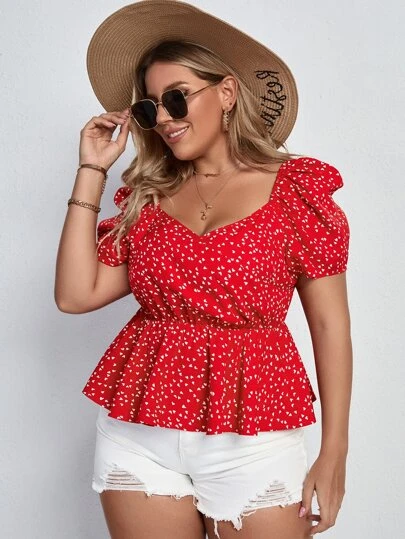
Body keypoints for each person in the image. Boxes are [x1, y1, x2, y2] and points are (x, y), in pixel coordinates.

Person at [54, 1, 352, 538]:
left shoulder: (294, 191)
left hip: (254, 435)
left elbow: (330, 327)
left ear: (227, 92)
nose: (165, 118)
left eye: (177, 97)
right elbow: (76, 295)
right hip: (139, 436)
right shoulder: (150, 199)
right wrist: (91, 169)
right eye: (150, 109)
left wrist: (334, 452)